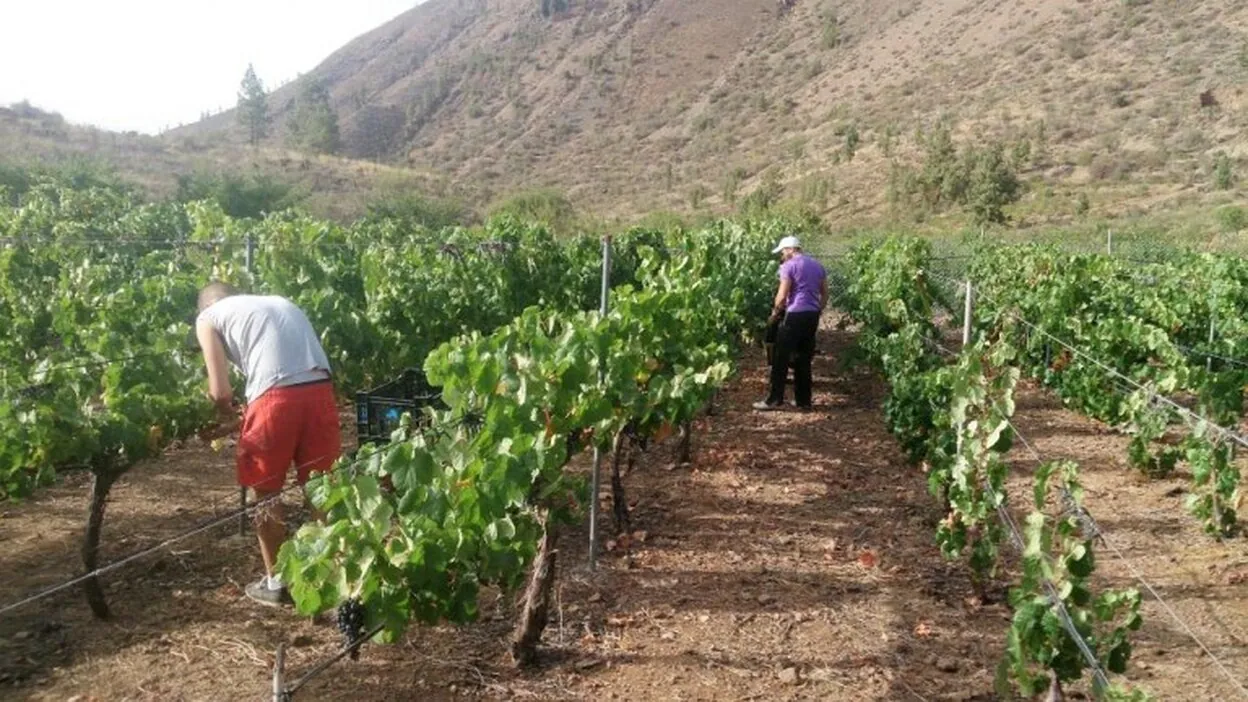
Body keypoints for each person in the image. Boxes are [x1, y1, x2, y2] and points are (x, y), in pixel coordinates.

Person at [195, 282, 340, 606]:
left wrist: (219, 418)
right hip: (319, 391)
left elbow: (221, 393)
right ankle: (331, 576)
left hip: (274, 399)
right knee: (322, 488)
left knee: (265, 491)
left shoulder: (208, 318)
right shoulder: (275, 299)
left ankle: (278, 582)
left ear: (205, 307)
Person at [754, 235, 827, 412]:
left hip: (794, 314)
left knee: (781, 357)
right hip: (811, 315)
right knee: (804, 357)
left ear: (789, 250)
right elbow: (825, 293)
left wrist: (775, 313)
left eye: (782, 252)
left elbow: (782, 295)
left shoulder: (789, 266)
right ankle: (804, 401)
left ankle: (774, 399)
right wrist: (818, 310)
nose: (782, 255)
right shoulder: (817, 265)